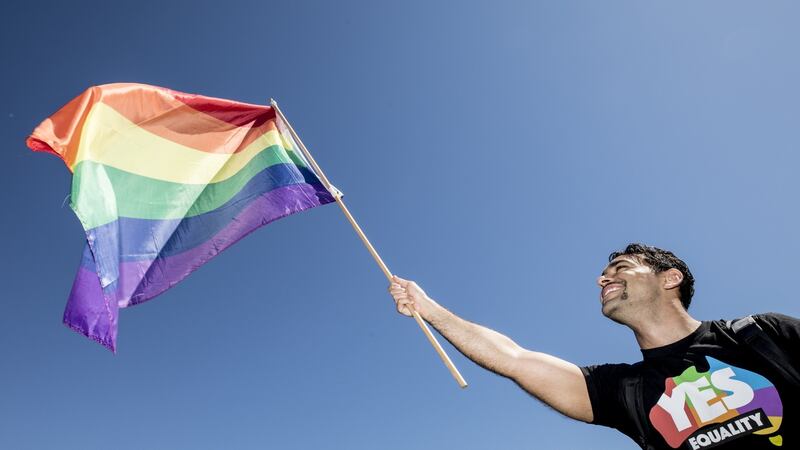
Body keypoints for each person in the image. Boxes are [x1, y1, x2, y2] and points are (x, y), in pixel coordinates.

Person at [389, 243, 800, 450]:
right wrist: (431, 310)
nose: (603, 280)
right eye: (602, 275)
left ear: (669, 278)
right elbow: (513, 358)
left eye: (619, 269)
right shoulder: (624, 390)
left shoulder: (761, 334)